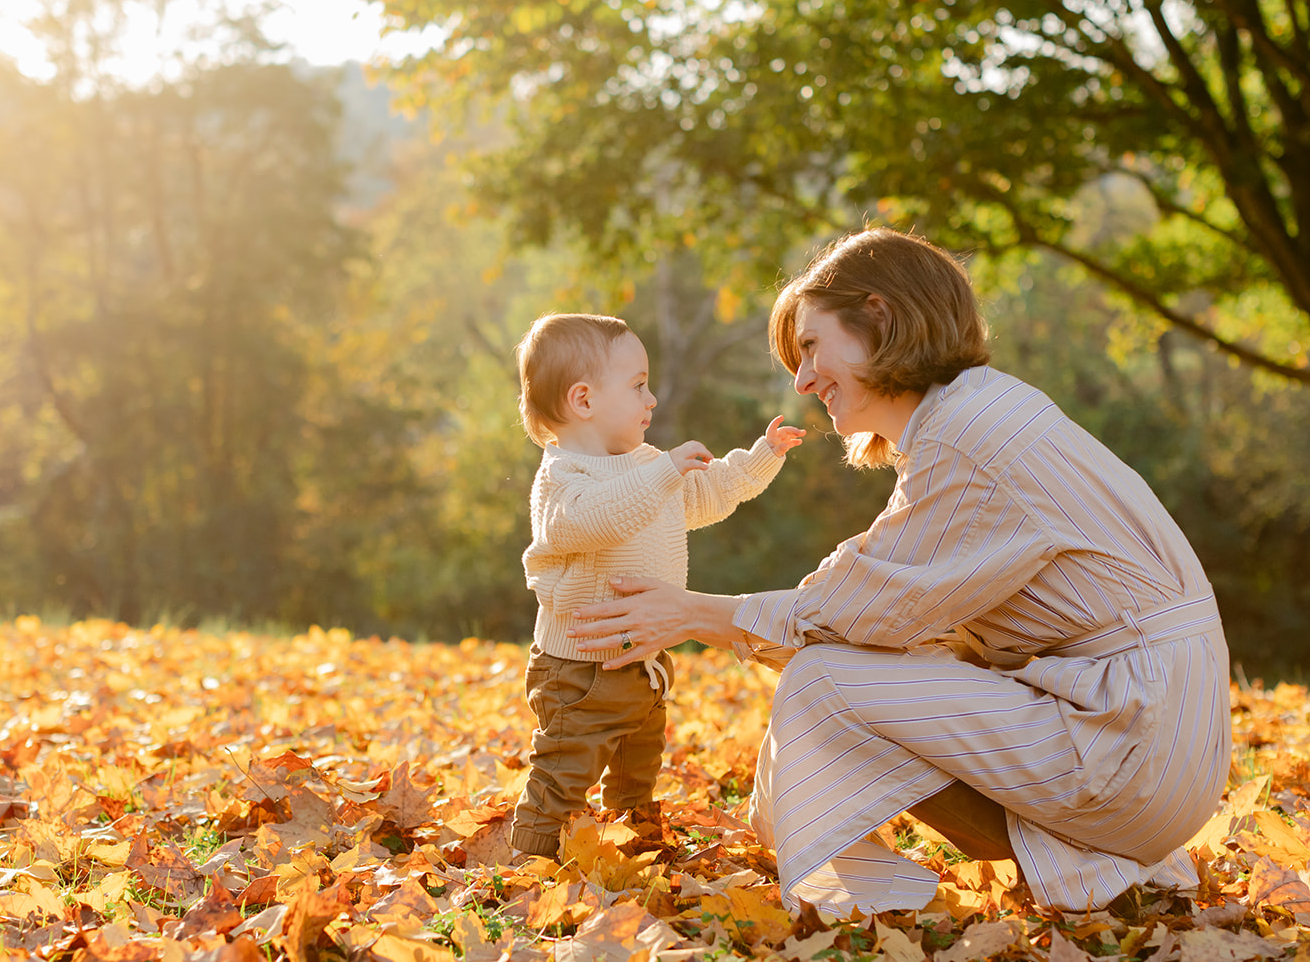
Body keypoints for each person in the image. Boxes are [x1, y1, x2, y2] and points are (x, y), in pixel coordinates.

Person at [566, 229, 1231, 916]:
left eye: (814, 346)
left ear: (878, 316)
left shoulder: (965, 434)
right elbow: (879, 601)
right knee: (866, 664)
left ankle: (876, 899)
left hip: (1137, 739)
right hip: (1158, 730)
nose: (801, 379)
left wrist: (688, 612)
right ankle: (1099, 866)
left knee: (823, 683)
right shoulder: (973, 411)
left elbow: (853, 605)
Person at [509, 312, 807, 858]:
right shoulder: (563, 478)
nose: (651, 398)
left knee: (637, 765)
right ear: (583, 400)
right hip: (581, 669)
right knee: (564, 771)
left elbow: (706, 494)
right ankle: (529, 864)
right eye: (638, 385)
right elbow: (594, 519)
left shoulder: (645, 466)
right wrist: (664, 471)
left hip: (643, 660)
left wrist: (762, 458)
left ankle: (634, 843)